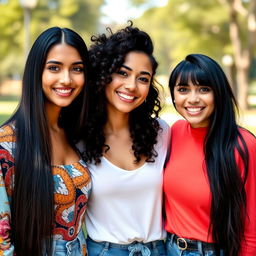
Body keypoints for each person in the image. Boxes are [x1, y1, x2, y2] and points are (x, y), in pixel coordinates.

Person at [79, 22, 170, 256]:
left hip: (160, 250)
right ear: (104, 74)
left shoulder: (162, 133)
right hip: (104, 251)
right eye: (122, 73)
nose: (132, 86)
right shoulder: (78, 140)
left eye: (143, 78)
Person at [0, 27, 91, 255]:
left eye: (77, 69)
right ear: (35, 72)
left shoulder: (77, 136)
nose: (66, 79)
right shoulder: (6, 144)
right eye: (54, 68)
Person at [164, 53, 256, 256]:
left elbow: (252, 226)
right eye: (183, 90)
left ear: (219, 93)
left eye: (204, 89)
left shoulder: (243, 145)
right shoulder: (175, 131)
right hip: (168, 248)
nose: (193, 99)